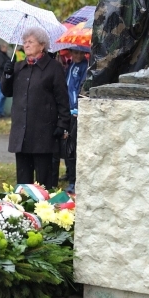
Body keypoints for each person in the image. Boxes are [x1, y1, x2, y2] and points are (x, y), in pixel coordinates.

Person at [1, 26, 71, 188]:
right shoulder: (18, 67)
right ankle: (24, 211)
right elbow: (6, 92)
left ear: (42, 45)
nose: (26, 44)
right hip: (22, 133)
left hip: (43, 133)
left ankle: (45, 210)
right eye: (25, 42)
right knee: (23, 182)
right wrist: (7, 75)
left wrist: (62, 124)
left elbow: (62, 99)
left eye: (30, 41)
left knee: (44, 182)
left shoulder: (53, 68)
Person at [62, 46, 89, 193]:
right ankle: (69, 174)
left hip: (76, 112)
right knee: (66, 145)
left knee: (72, 148)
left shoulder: (85, 67)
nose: (77, 55)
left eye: (80, 52)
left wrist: (78, 107)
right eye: (75, 52)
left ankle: (74, 181)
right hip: (67, 111)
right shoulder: (71, 66)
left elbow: (82, 88)